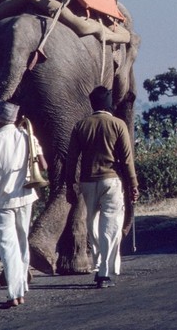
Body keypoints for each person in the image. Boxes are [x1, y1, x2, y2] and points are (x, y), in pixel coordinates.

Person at [66, 86, 139, 288]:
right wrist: (133, 184)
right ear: (109, 104)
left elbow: (71, 158)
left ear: (92, 104)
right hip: (111, 181)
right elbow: (126, 159)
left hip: (87, 183)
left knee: (93, 225)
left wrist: (69, 184)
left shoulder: (81, 126)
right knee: (110, 226)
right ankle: (104, 272)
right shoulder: (118, 124)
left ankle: (99, 263)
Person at [0, 100, 42, 309]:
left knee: (8, 247)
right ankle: (22, 286)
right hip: (27, 196)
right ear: (16, 117)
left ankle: (14, 294)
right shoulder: (27, 135)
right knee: (22, 241)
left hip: (4, 199)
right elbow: (42, 164)